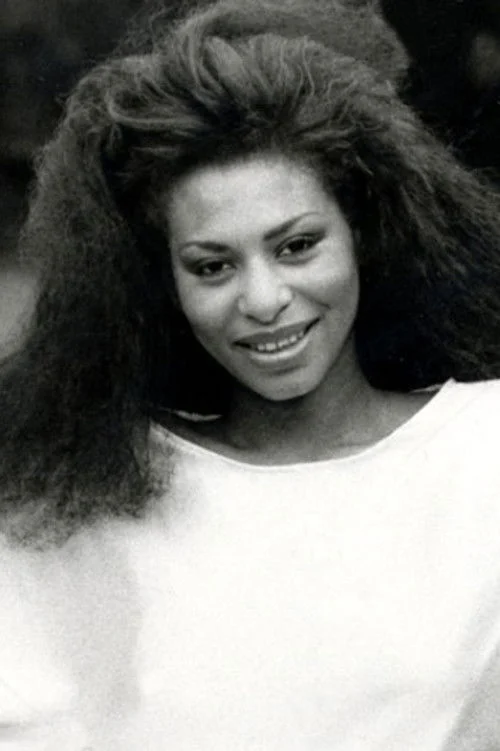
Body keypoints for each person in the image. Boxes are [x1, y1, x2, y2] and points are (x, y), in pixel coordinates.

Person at [1, 0, 500, 748]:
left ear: (364, 231)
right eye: (212, 266)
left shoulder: (483, 450)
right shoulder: (75, 496)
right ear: (161, 283)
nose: (263, 300)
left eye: (297, 246)